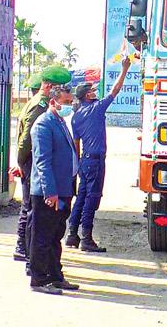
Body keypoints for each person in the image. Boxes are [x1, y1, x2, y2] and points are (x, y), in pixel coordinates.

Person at [64, 57, 133, 252]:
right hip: (95, 161)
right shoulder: (96, 108)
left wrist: (77, 166)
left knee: (82, 197)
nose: (95, 92)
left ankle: (72, 234)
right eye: (93, 90)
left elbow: (76, 144)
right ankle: (86, 238)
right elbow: (115, 90)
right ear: (87, 96)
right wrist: (125, 69)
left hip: (85, 161)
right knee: (92, 199)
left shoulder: (76, 117)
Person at [11, 64, 72, 263]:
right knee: (33, 211)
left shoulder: (38, 103)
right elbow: (27, 139)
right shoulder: (40, 107)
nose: (63, 92)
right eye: (60, 87)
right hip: (33, 163)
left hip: (31, 161)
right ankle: (26, 250)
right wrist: (21, 162)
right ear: (49, 86)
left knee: (30, 209)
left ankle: (27, 250)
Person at [28, 83, 80, 295]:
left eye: (70, 102)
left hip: (64, 190)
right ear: (53, 102)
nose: (69, 106)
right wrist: (50, 192)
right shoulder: (43, 125)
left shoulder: (59, 122)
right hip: (48, 193)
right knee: (42, 237)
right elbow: (43, 162)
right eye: (66, 102)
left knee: (55, 236)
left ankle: (55, 276)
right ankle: (39, 279)